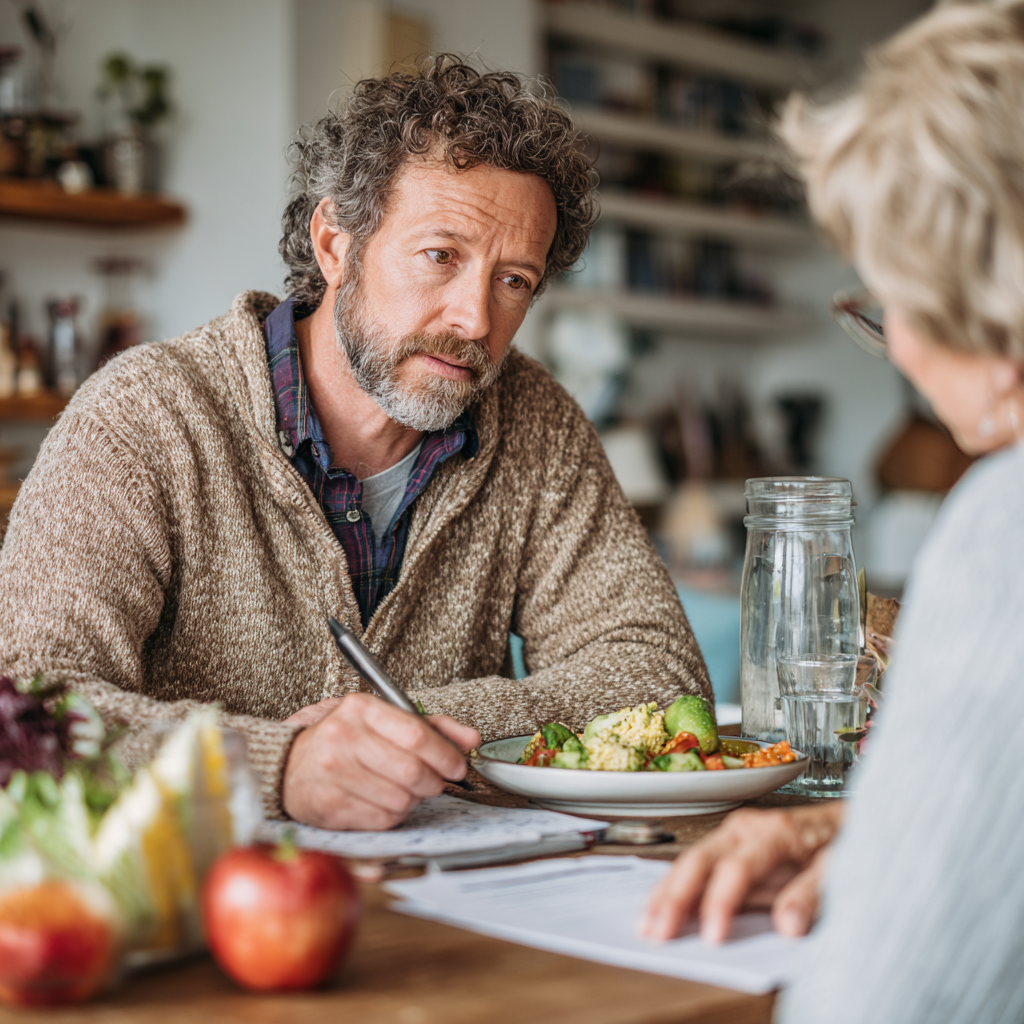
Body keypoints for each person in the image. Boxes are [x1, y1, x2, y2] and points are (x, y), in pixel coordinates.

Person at [0, 57, 710, 831]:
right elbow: (26, 707)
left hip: (460, 908)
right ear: (335, 244)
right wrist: (279, 765)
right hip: (195, 909)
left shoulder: (537, 421)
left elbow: (661, 681)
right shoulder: (144, 416)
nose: (475, 319)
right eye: (441, 256)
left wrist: (418, 724)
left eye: (514, 281)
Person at [640, 3, 1024, 1020]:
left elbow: (882, 1004)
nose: (895, 347)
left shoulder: (1006, 527)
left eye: (891, 300)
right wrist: (861, 829)